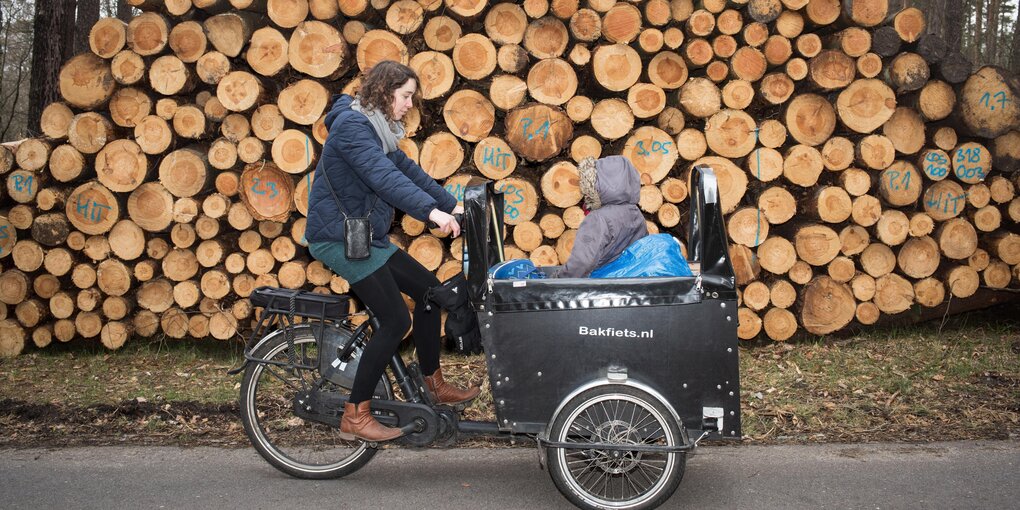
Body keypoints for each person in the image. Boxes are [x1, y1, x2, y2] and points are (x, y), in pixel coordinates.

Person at [304, 61, 479, 442]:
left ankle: (433, 385)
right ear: (384, 93)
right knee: (397, 320)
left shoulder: (380, 132)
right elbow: (382, 178)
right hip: (337, 238)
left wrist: (452, 206)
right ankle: (356, 412)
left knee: (432, 293)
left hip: (366, 239)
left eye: (411, 97)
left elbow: (408, 172)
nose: (408, 105)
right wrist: (431, 213)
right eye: (404, 96)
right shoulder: (353, 128)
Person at [556, 155, 648, 278]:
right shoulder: (635, 212)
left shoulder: (598, 218)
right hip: (628, 281)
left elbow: (582, 262)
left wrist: (558, 280)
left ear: (597, 183)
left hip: (603, 284)